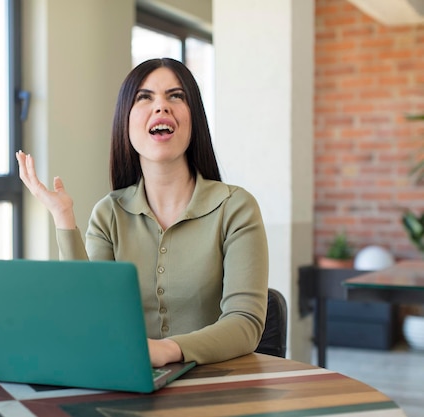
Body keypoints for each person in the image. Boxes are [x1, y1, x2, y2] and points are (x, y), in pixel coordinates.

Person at [16, 58, 269, 367]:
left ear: (195, 119)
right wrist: (63, 217)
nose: (161, 106)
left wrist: (169, 349)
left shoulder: (236, 208)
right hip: (130, 385)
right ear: (126, 120)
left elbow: (245, 324)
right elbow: (89, 315)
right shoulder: (108, 213)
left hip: (218, 388)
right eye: (144, 97)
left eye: (176, 96)